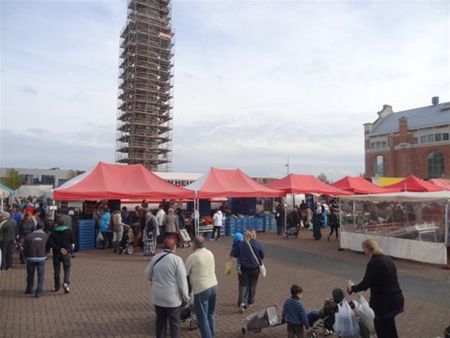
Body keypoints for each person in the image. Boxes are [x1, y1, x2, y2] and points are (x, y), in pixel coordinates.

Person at [348, 239, 404, 338]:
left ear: (367, 249)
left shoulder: (374, 263)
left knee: (381, 328)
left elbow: (365, 284)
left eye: (363, 249)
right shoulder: (387, 259)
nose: (363, 252)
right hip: (396, 298)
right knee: (390, 326)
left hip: (384, 302)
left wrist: (352, 288)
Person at [144, 237, 189, 338]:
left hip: (158, 297)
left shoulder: (156, 257)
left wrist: (155, 280)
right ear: (174, 247)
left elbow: (147, 274)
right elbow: (182, 281)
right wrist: (185, 297)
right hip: (172, 299)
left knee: (160, 323)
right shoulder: (177, 260)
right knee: (175, 324)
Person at [185, 236, 218, 338]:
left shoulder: (193, 257)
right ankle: (212, 334)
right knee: (210, 314)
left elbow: (185, 273)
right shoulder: (210, 253)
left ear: (195, 244)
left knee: (202, 318)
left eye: (192, 243)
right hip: (214, 285)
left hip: (201, 288)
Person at [232, 230, 265, 313]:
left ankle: (242, 302)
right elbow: (262, 255)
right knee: (253, 285)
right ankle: (250, 301)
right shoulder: (257, 244)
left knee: (243, 285)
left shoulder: (241, 244)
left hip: (244, 268)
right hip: (254, 268)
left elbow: (235, 254)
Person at [49, 219, 75, 294]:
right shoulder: (69, 231)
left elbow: (51, 243)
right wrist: (67, 249)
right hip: (66, 253)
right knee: (67, 268)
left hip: (56, 253)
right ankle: (66, 283)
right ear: (63, 224)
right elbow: (72, 241)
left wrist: (59, 249)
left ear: (57, 224)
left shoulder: (53, 232)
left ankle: (57, 286)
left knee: (57, 271)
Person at [23, 223, 48, 297]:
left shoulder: (28, 236)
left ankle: (30, 288)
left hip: (30, 257)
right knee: (41, 274)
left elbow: (25, 247)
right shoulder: (46, 236)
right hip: (41, 257)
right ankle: (39, 291)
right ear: (43, 228)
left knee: (30, 274)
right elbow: (48, 246)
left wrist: (25, 256)